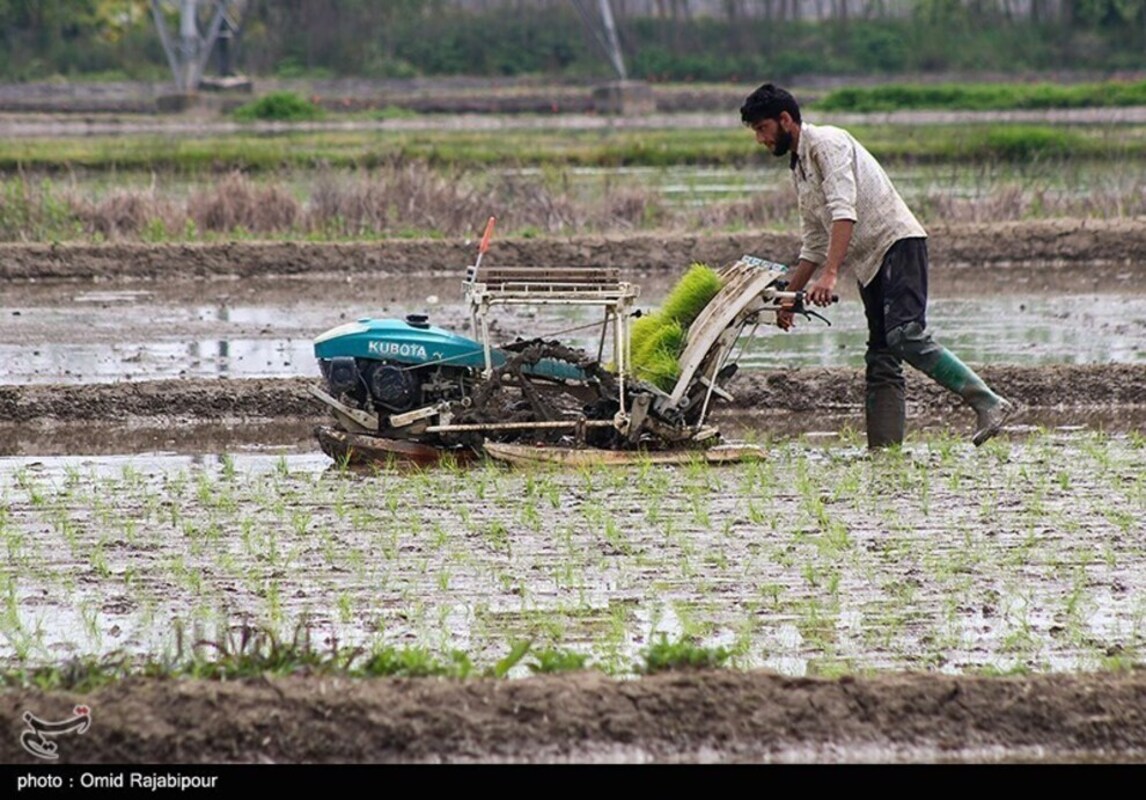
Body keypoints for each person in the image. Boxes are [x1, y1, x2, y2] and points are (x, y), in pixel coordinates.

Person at [739, 82, 1014, 448]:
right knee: (881, 356)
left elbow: (844, 211)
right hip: (869, 260)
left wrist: (831, 274)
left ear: (785, 120)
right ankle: (883, 453)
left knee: (904, 336)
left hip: (896, 243)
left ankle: (988, 402)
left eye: (762, 128)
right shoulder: (800, 167)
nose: (760, 138)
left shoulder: (827, 144)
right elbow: (814, 241)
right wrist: (790, 296)